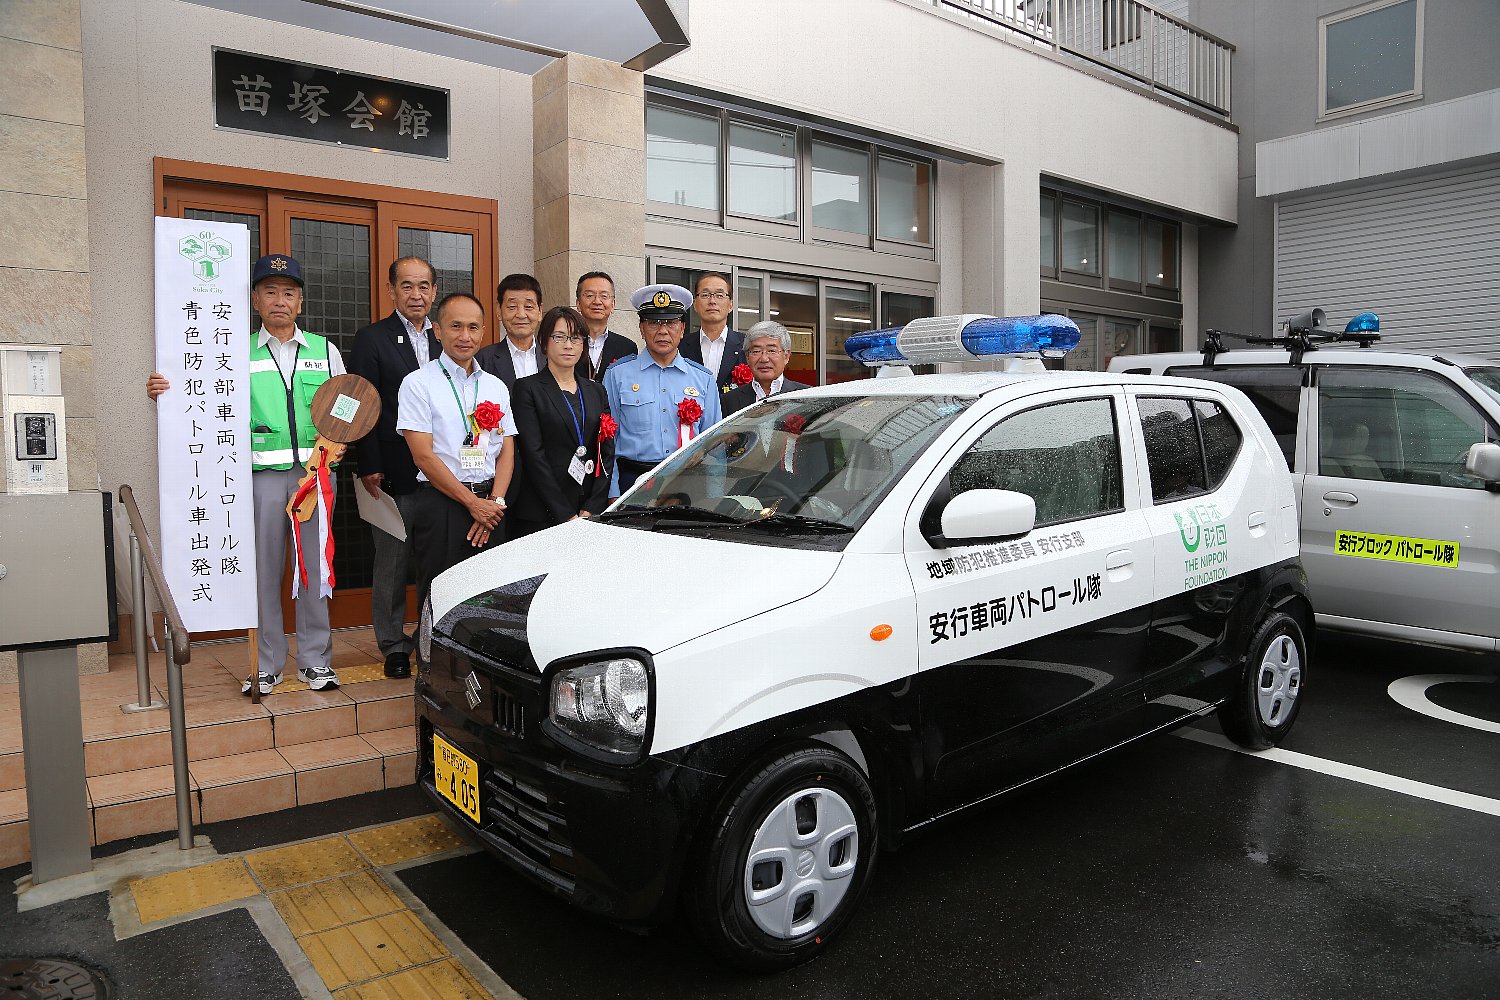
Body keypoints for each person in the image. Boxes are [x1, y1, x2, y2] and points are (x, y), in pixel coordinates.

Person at [146, 254, 344, 695]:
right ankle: (268, 663)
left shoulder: (325, 351)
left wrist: (342, 441)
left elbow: (344, 404)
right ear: (255, 300)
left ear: (301, 301)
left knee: (315, 571)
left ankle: (316, 661)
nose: (280, 300)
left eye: (289, 292)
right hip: (259, 479)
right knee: (264, 571)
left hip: (314, 476)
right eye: (270, 292)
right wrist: (164, 391)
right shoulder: (232, 352)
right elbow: (196, 391)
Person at [349, 255, 440, 678]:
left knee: (434, 559)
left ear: (434, 292)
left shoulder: (447, 339)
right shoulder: (371, 339)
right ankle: (393, 645)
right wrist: (368, 462)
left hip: (442, 471)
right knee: (391, 559)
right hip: (390, 469)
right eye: (407, 286)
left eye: (424, 286)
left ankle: (429, 638)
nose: (416, 294)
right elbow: (361, 402)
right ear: (392, 291)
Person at [398, 292, 517, 606]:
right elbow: (422, 455)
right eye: (456, 326)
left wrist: (494, 502)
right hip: (442, 505)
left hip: (491, 506)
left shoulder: (495, 385)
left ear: (482, 332)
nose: (465, 336)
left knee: (490, 598)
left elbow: (506, 449)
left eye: (473, 327)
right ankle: (430, 657)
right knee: (440, 597)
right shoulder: (417, 383)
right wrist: (471, 504)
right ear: (438, 331)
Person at [602, 284, 721, 496]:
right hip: (633, 483)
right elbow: (607, 441)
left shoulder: (703, 379)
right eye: (654, 323)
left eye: (671, 323)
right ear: (641, 328)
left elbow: (714, 444)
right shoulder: (617, 375)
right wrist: (612, 492)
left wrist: (714, 494)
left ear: (683, 328)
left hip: (687, 482)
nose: (663, 331)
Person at [509, 306, 615, 536]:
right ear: (544, 342)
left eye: (575, 338)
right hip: (541, 511)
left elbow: (606, 451)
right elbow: (533, 455)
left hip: (587, 510)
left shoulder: (596, 390)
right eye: (559, 337)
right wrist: (565, 514)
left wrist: (592, 506)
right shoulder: (528, 389)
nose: (568, 345)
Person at [721, 320, 812, 416]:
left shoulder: (806, 396)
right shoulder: (729, 400)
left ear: (786, 356)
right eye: (756, 351)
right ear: (747, 357)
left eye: (772, 351)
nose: (764, 359)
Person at [680, 271, 746, 395]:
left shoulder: (747, 346)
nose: (712, 301)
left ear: (731, 305)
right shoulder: (680, 346)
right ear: (695, 304)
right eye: (705, 295)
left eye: (719, 295)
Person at [475, 273, 544, 389]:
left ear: (540, 311)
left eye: (528, 307)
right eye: (512, 307)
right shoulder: (482, 361)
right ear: (499, 310)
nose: (521, 315)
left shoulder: (553, 357)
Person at [574, 271, 637, 381]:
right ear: (578, 304)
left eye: (604, 296)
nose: (597, 301)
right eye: (589, 295)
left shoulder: (627, 348)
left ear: (613, 305)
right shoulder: (567, 343)